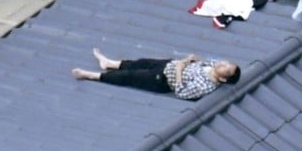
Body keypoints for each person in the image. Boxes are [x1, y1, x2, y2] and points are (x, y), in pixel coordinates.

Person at [72, 49, 240, 100]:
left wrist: (180, 69)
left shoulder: (206, 85)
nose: (222, 64)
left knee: (132, 76)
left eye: (225, 68)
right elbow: (201, 61)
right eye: (225, 63)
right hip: (168, 65)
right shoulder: (212, 65)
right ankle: (109, 63)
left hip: (164, 80)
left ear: (223, 78)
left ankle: (92, 75)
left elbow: (182, 92)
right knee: (140, 62)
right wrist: (192, 59)